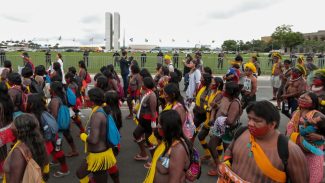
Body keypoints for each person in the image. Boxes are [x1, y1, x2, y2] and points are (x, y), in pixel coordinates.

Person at [218, 100, 309, 183]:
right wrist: (226, 163)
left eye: (256, 121)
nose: (250, 123)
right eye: (249, 118)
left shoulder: (290, 151)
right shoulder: (241, 132)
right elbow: (229, 149)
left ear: (272, 124)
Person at [77, 87, 118, 183]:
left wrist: (82, 136)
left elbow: (93, 139)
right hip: (97, 154)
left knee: (82, 174)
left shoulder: (97, 115)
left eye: (87, 96)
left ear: (92, 101)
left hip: (99, 157)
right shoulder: (101, 109)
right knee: (80, 173)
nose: (85, 98)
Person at [286, 92, 325, 183]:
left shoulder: (317, 116)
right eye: (301, 97)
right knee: (296, 177)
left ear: (313, 103)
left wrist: (320, 137)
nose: (301, 99)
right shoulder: (296, 113)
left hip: (311, 154)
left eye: (305, 98)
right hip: (296, 152)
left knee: (310, 178)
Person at [143, 110, 191, 183]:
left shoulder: (178, 150)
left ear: (167, 128)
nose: (157, 126)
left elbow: (174, 181)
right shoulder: (166, 141)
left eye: (159, 125)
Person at [208, 81, 242, 176]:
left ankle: (227, 173)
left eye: (225, 89)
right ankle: (219, 165)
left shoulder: (235, 103)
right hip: (223, 129)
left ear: (229, 91)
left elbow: (230, 121)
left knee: (228, 154)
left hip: (228, 132)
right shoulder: (230, 100)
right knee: (211, 145)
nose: (223, 90)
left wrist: (219, 120)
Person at [3, 114, 48, 182]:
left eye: (13, 124)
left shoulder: (18, 152)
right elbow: (46, 173)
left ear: (19, 131)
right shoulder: (39, 143)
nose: (11, 127)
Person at [48, 81, 71, 177]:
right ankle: (56, 160)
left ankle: (64, 169)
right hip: (62, 127)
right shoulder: (63, 96)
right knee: (55, 146)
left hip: (56, 128)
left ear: (53, 90)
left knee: (57, 148)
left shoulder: (55, 100)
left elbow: (54, 115)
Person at [198, 77, 223, 161]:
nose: (211, 84)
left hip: (215, 121)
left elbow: (215, 107)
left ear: (218, 85)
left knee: (217, 142)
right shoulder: (211, 92)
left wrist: (210, 108)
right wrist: (207, 108)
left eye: (213, 83)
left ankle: (218, 160)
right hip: (208, 119)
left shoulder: (219, 94)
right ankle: (208, 154)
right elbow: (206, 102)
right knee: (201, 136)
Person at [133, 77, 157, 163]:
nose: (141, 84)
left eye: (143, 83)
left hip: (148, 122)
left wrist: (153, 126)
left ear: (146, 85)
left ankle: (154, 161)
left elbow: (153, 112)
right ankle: (143, 154)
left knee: (149, 141)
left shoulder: (152, 95)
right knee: (136, 134)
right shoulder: (145, 92)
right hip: (142, 120)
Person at [0, 82, 14, 177]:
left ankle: (2, 172)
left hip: (2, 130)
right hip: (9, 127)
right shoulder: (9, 99)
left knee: (1, 153)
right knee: (6, 150)